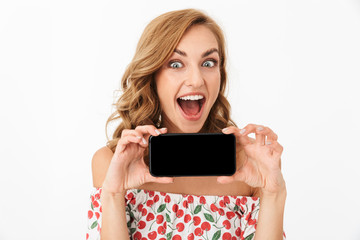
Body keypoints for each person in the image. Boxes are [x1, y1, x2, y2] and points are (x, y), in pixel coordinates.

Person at [86, 8, 287, 240]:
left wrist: (273, 193)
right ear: (152, 75)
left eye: (209, 63)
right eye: (175, 64)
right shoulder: (111, 164)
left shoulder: (246, 168)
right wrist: (113, 193)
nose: (196, 80)